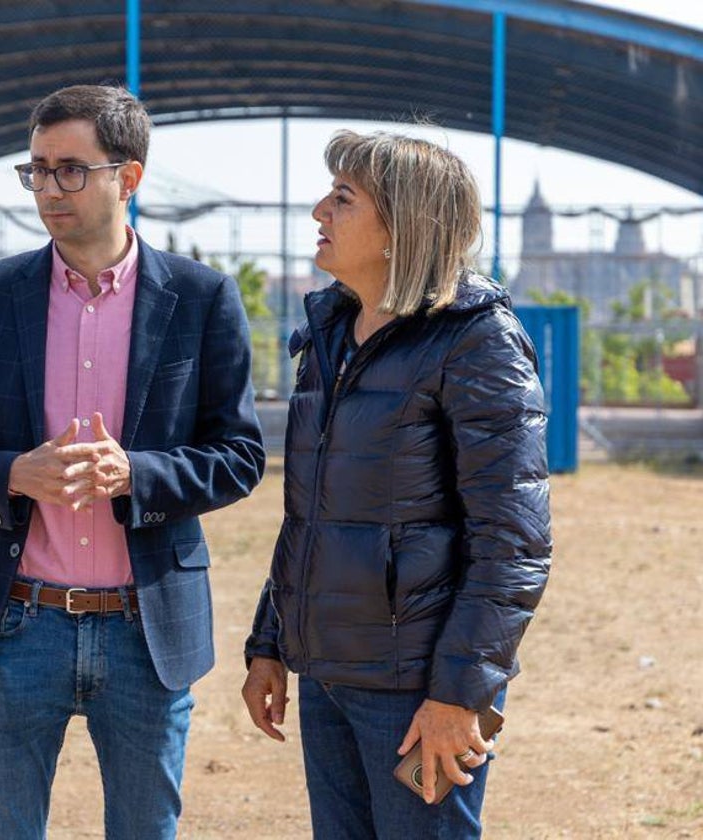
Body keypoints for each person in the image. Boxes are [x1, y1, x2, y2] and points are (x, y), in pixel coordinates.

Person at [0, 83, 265, 839]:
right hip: (19, 623)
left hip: (150, 631)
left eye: (70, 169)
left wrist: (136, 475)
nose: (48, 187)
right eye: (36, 168)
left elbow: (240, 457)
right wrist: (13, 475)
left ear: (128, 177)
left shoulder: (202, 299)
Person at [241, 129, 552, 839]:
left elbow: (512, 543)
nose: (319, 211)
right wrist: (271, 642)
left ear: (403, 225)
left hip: (416, 689)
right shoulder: (328, 335)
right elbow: (310, 516)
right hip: (328, 675)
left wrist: (457, 694)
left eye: (342, 199)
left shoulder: (477, 342)